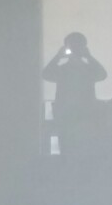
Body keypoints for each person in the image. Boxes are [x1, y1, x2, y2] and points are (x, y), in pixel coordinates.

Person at [42, 32, 107, 160]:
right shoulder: (81, 70)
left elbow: (102, 74)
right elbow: (46, 74)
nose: (75, 49)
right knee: (70, 147)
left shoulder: (69, 70)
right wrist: (88, 57)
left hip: (79, 114)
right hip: (72, 114)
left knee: (78, 148)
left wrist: (59, 57)